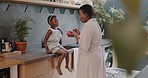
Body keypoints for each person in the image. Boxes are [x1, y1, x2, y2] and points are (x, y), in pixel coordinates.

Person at [71, 4, 106, 78]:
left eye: (80, 15)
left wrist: (75, 35)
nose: (79, 17)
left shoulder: (88, 26)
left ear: (86, 14)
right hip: (97, 56)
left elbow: (85, 45)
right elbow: (90, 38)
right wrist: (80, 33)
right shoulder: (95, 24)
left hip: (90, 58)